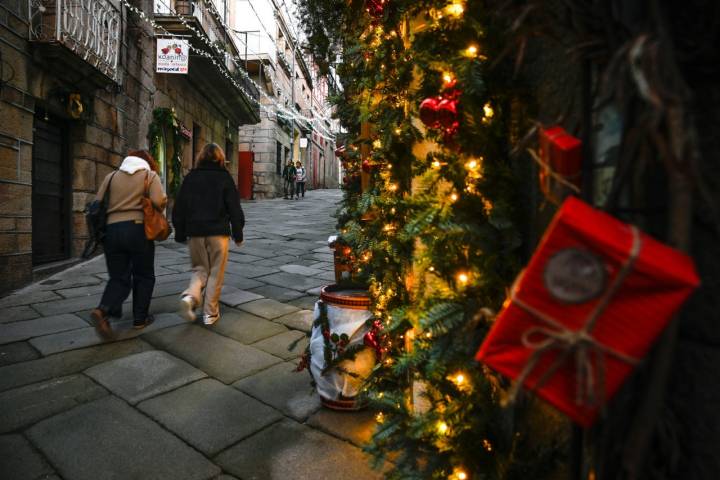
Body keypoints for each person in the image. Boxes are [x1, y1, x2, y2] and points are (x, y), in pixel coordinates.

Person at [91, 150, 167, 339]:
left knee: (118, 277)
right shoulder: (149, 175)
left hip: (112, 232)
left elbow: (96, 203)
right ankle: (140, 319)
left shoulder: (111, 177)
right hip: (138, 230)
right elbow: (159, 200)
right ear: (147, 162)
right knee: (144, 275)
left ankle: (103, 310)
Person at [172, 143, 245, 325]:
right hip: (218, 233)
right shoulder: (224, 177)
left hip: (195, 233)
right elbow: (234, 208)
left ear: (201, 157)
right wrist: (238, 233)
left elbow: (179, 208)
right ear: (220, 158)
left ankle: (190, 298)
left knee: (199, 270)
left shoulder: (191, 177)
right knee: (215, 273)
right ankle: (210, 314)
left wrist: (180, 232)